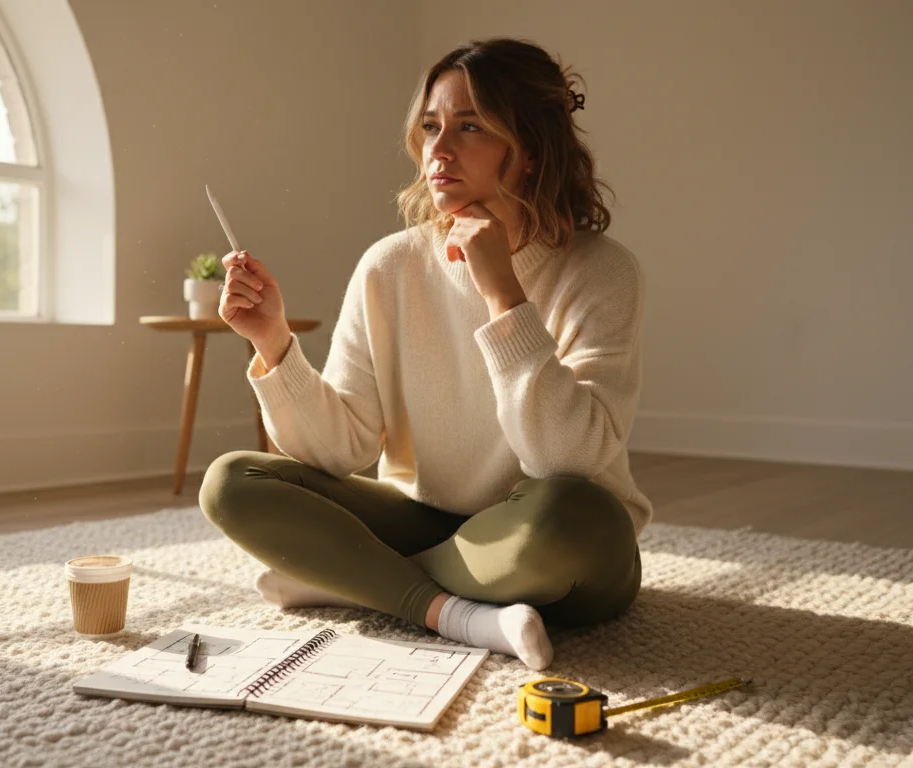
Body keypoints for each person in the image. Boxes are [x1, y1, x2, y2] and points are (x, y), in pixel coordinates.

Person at [198, 37, 652, 670]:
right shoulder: (391, 264)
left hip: (552, 538)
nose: (438, 150)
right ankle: (450, 611)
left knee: (567, 518)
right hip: (425, 518)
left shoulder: (603, 272)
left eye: (470, 127)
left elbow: (564, 458)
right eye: (431, 126)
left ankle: (352, 580)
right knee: (233, 483)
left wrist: (503, 295)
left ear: (528, 150)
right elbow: (344, 449)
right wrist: (271, 341)